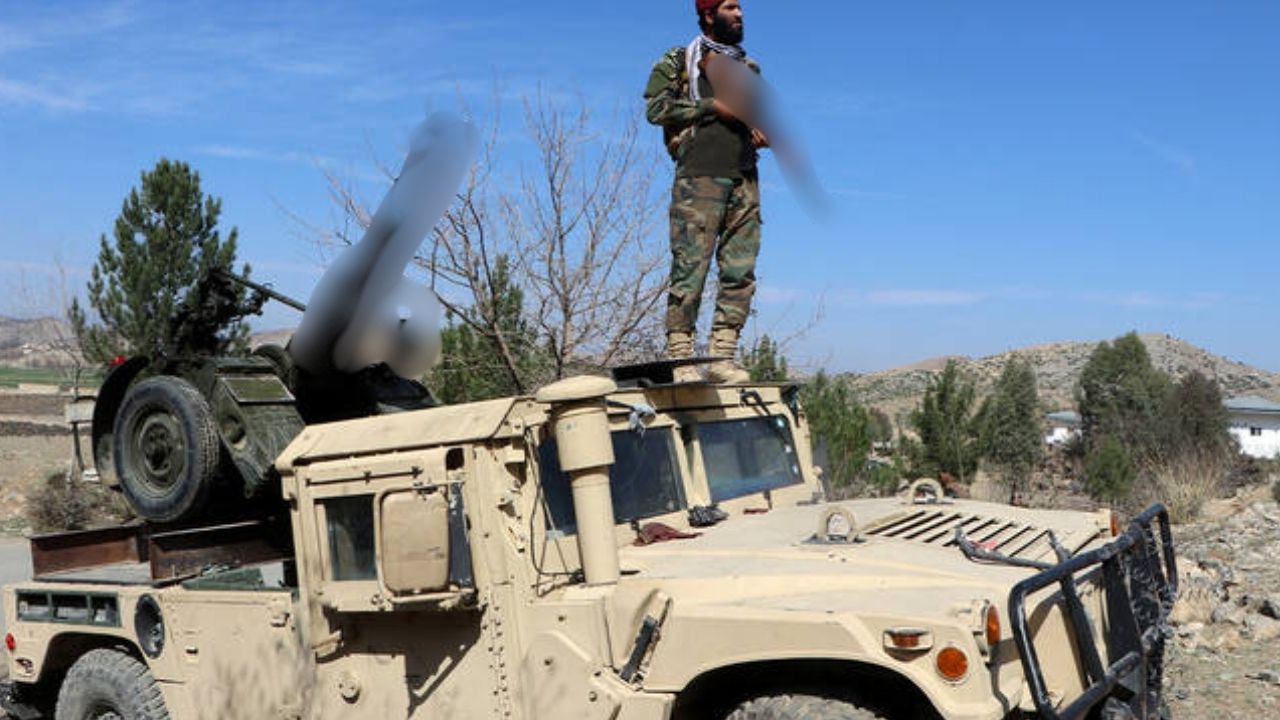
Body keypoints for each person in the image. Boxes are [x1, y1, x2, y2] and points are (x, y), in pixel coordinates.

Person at [644, 0, 766, 383]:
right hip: (699, 175)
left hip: (744, 177)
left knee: (740, 271)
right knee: (690, 267)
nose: (740, 14)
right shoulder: (680, 60)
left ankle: (722, 357)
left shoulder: (748, 68)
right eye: (731, 7)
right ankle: (682, 359)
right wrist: (712, 107)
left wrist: (759, 131)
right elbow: (656, 110)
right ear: (709, 15)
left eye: (741, 7)